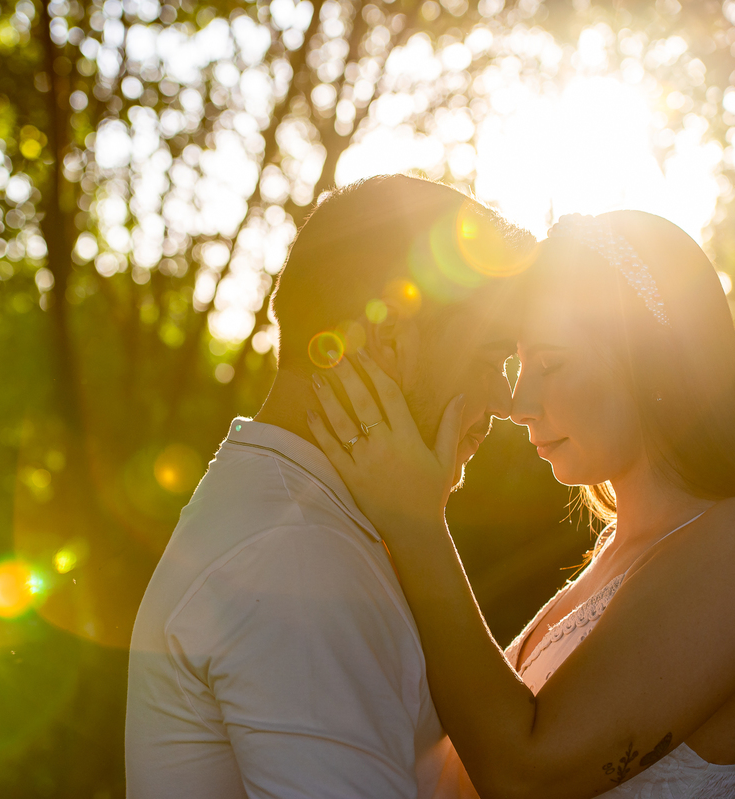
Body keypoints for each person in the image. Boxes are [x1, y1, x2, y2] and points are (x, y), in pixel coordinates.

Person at [305, 210, 735, 798]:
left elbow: (525, 773)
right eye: (518, 364)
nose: (518, 402)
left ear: (651, 357)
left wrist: (415, 525)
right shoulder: (607, 559)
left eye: (551, 363)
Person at [125, 174, 537, 797]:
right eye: (488, 358)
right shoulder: (297, 557)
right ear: (388, 337)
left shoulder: (287, 506)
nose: (506, 399)